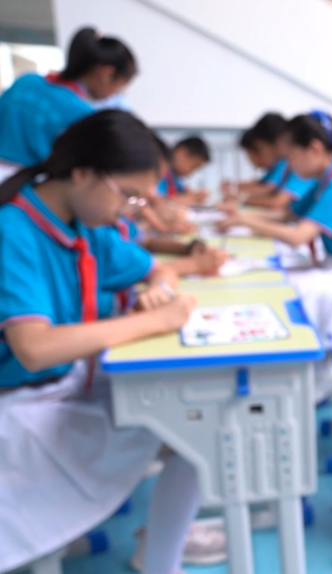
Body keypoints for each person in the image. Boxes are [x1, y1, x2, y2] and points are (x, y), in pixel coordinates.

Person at [0, 110, 202, 574]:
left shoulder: (84, 226)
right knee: (190, 429)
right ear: (82, 173)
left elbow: (157, 268)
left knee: (197, 423)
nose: (129, 212)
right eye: (127, 196)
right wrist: (153, 321)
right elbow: (35, 348)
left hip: (65, 385)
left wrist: (159, 291)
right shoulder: (13, 231)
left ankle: (160, 557)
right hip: (20, 404)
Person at [216, 111, 332, 373]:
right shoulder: (324, 181)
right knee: (274, 277)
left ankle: (308, 371)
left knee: (287, 293)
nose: (290, 166)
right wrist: (242, 216)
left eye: (292, 157)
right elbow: (287, 215)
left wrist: (244, 219)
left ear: (314, 149)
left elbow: (297, 236)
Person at [0, 27, 137, 180]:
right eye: (118, 87)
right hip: (26, 184)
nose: (114, 95)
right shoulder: (82, 113)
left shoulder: (26, 81)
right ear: (106, 73)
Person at [223, 113, 315, 209]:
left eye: (261, 148)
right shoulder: (289, 164)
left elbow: (276, 200)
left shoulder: (300, 166)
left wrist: (239, 197)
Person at [157, 135, 211, 205]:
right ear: (182, 152)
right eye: (193, 166)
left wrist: (191, 194)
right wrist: (192, 199)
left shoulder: (175, 178)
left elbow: (181, 192)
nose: (191, 174)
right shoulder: (158, 169)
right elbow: (156, 201)